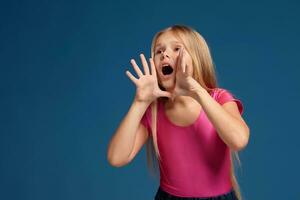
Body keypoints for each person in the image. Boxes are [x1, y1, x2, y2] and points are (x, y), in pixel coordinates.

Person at [107, 25, 250, 200]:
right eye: (159, 51)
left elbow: (239, 140)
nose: (165, 54)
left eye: (176, 49)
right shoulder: (153, 110)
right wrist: (140, 102)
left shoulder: (219, 98)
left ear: (197, 58)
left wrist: (197, 91)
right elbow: (116, 158)